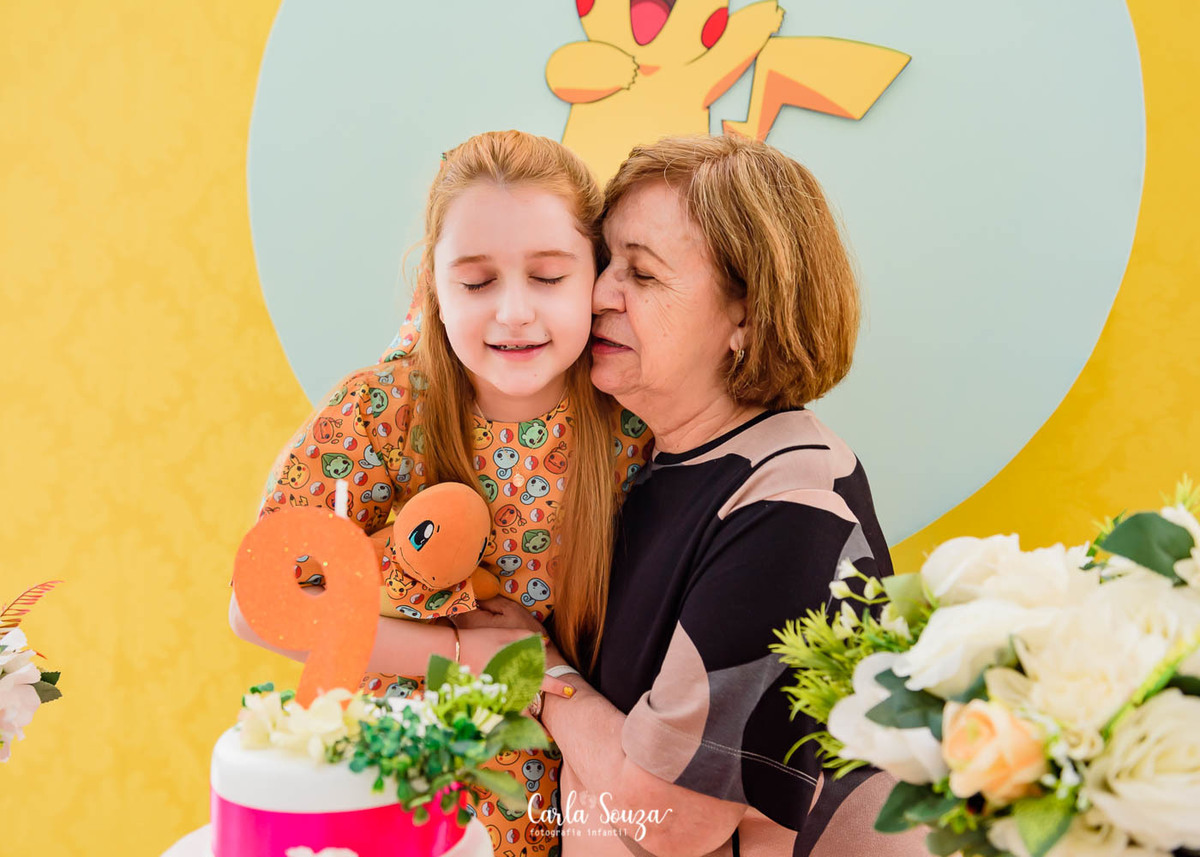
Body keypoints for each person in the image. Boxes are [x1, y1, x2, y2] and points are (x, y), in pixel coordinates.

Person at [456, 134, 929, 855]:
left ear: (746, 315)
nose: (599, 293)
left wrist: (537, 668)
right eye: (605, 261)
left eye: (642, 274)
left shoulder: (791, 504)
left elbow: (671, 818)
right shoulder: (652, 459)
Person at [230, 129, 650, 854]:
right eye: (477, 283)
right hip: (403, 784)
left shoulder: (633, 414)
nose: (513, 312)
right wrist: (459, 653)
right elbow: (258, 606)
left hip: (576, 791)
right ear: (433, 285)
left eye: (549, 277)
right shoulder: (383, 409)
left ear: (597, 276)